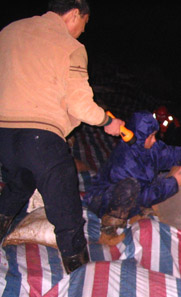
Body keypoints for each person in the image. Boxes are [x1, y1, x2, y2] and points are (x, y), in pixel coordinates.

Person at [0, 0, 125, 273]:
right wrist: (108, 121)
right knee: (66, 207)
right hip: (40, 138)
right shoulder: (70, 46)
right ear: (75, 14)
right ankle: (79, 274)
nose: (82, 31)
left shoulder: (9, 32)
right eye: (84, 24)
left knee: (20, 183)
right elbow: (80, 104)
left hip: (4, 136)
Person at [83, 110, 181, 237]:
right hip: (103, 201)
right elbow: (141, 195)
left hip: (132, 194)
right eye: (151, 136)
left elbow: (177, 155)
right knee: (131, 187)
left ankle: (137, 212)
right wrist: (173, 183)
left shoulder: (150, 148)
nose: (154, 140)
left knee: (166, 178)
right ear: (140, 137)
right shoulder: (125, 160)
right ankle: (109, 228)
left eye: (154, 135)